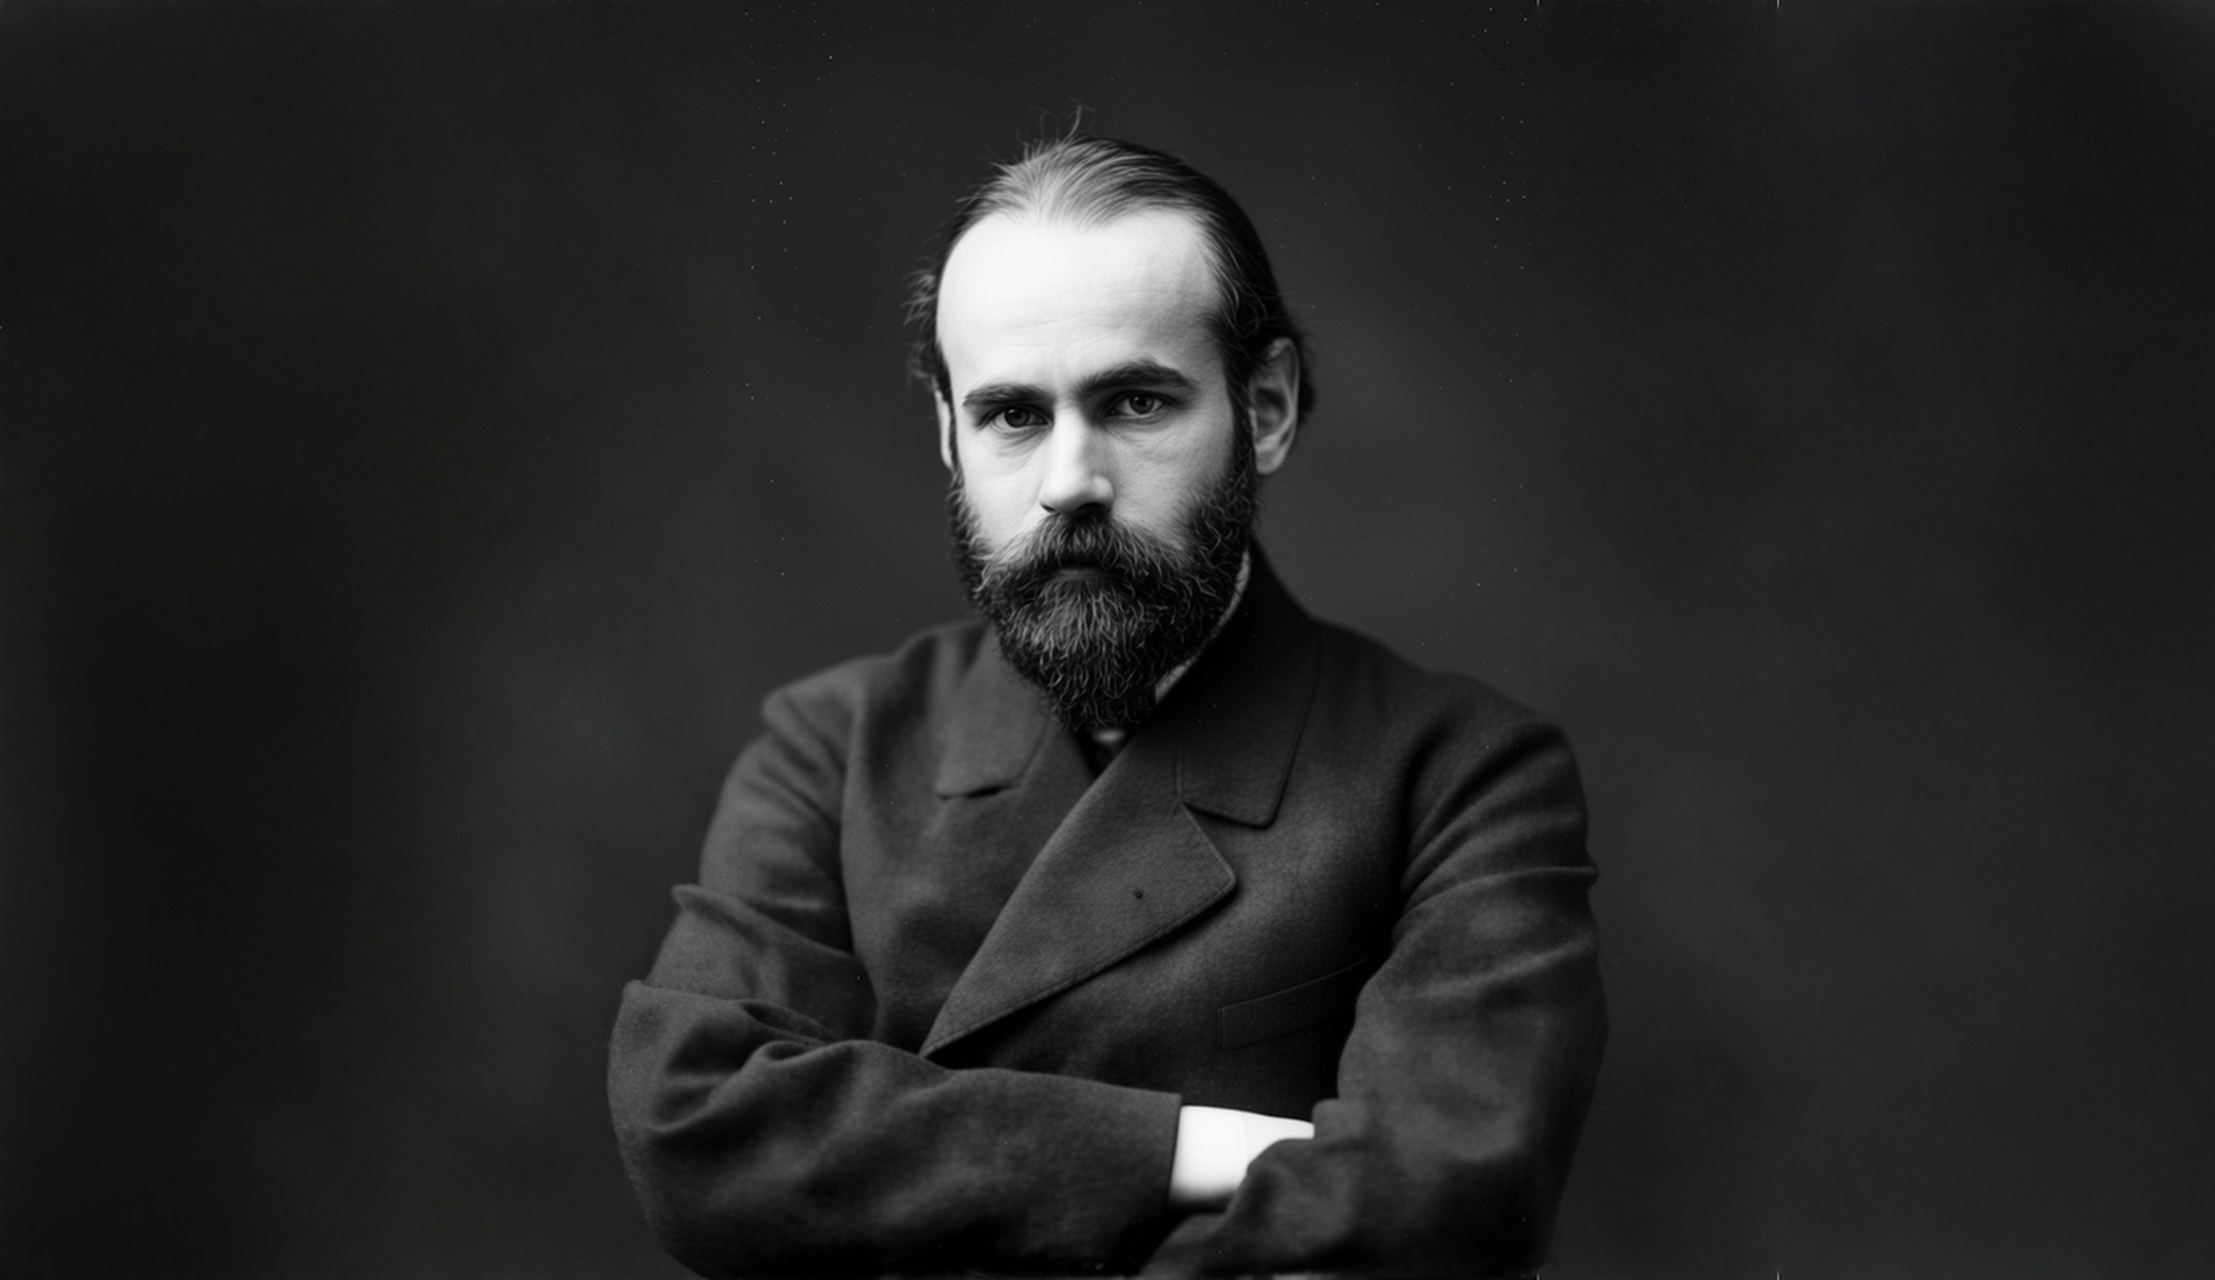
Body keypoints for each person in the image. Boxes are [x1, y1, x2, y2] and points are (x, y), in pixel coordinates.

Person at [608, 135, 1606, 1277]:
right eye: (1011, 415)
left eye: (1134, 401)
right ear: (946, 429)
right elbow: (697, 1126)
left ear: (1266, 407)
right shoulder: (828, 746)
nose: (1068, 481)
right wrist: (1204, 1145)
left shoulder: (1462, 774)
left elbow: (1445, 1190)